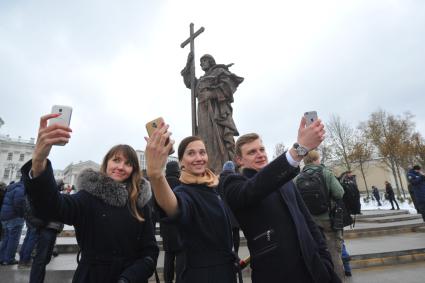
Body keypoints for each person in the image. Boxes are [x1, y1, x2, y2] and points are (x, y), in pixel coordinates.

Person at [21, 113, 159, 283]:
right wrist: (39, 160)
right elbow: (52, 207)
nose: (121, 167)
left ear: (134, 169)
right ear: (106, 163)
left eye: (128, 163)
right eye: (116, 160)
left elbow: (150, 251)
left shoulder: (139, 201)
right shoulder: (88, 197)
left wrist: (128, 278)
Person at [222, 117, 341, 283]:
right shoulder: (234, 185)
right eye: (252, 152)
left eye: (262, 149)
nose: (260, 155)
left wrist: (325, 258)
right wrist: (299, 150)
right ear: (239, 160)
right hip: (276, 274)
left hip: (315, 270)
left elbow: (308, 222)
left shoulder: (286, 181)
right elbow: (256, 187)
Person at [145, 131, 239, 283]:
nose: (199, 158)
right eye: (191, 153)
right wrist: (156, 175)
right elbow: (175, 207)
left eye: (202, 152)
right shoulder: (184, 191)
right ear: (181, 161)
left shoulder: (213, 185)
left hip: (225, 272)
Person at [181, 52, 244, 173]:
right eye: (200, 62)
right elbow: (190, 83)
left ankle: (222, 170)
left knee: (218, 140)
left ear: (211, 61)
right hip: (203, 113)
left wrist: (211, 94)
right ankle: (207, 170)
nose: (201, 63)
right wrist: (189, 65)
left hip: (216, 113)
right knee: (204, 141)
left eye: (204, 60)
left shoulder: (218, 71)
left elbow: (229, 86)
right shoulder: (200, 81)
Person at [295, 150, 345, 281]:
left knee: (315, 254)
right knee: (334, 254)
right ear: (315, 159)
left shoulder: (297, 178)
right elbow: (339, 193)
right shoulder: (326, 173)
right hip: (327, 220)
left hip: (309, 223)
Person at [161, 160, 184, 283]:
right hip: (179, 227)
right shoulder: (181, 184)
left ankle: (167, 280)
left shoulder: (161, 185)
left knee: (168, 256)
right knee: (180, 257)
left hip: (165, 227)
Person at [0, 179, 25, 265]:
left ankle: (2, 257)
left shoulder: (12, 187)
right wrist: (22, 214)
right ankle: (9, 259)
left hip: (5, 215)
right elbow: (18, 203)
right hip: (14, 217)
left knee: (6, 238)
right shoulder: (21, 189)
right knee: (13, 239)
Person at [217, 161, 241, 254]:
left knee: (225, 234)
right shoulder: (236, 179)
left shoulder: (218, 181)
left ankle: (226, 252)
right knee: (236, 233)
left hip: (222, 211)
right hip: (234, 211)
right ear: (233, 170)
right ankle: (236, 253)